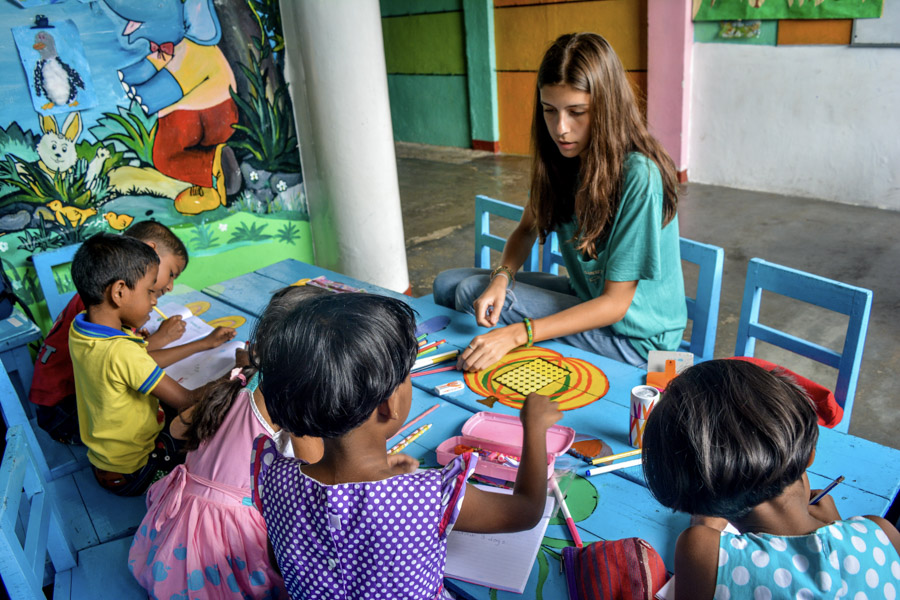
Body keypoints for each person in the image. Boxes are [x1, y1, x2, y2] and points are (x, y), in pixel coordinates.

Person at [250, 293, 561, 599]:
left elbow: (282, 560)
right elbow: (525, 512)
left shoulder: (275, 478)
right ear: (389, 404)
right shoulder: (427, 495)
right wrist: (534, 428)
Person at [433, 33, 686, 370]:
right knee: (448, 284)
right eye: (549, 111)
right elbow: (525, 230)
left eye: (577, 112)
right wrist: (501, 277)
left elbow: (615, 304)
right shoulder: (563, 159)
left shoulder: (639, 174)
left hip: (639, 342)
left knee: (467, 294)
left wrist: (516, 335)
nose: (561, 129)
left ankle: (486, 361)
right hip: (589, 299)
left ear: (607, 109)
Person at [641, 360, 900, 600]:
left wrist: (705, 524)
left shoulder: (700, 549)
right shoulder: (882, 533)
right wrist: (836, 525)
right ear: (810, 454)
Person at [128, 286, 326, 600]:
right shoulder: (292, 401)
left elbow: (180, 426)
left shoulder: (241, 380)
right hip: (222, 549)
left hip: (174, 535)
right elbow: (319, 473)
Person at [29, 220, 234, 445]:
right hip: (64, 410)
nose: (168, 288)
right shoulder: (107, 323)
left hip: (68, 401)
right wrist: (237, 374)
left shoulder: (92, 311)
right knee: (189, 423)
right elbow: (139, 363)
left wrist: (182, 341)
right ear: (150, 251)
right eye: (171, 274)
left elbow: (128, 357)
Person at [68, 233, 205, 496]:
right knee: (203, 439)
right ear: (119, 292)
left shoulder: (82, 327)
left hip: (105, 462)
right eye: (149, 291)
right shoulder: (122, 352)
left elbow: (136, 362)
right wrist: (239, 375)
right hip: (133, 472)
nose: (154, 300)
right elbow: (185, 399)